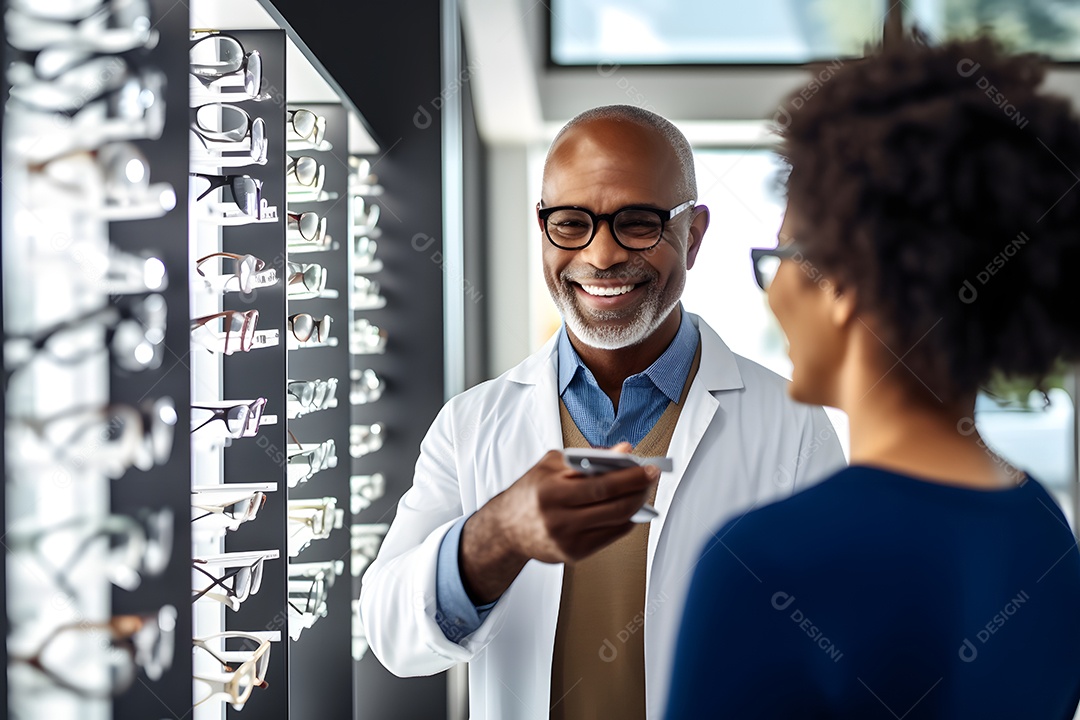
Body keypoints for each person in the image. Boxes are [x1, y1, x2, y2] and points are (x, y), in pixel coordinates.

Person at [359, 104, 846, 720]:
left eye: (638, 223)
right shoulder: (472, 424)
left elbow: (839, 654)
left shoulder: (792, 425)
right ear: (543, 230)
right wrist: (498, 536)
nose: (602, 254)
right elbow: (391, 636)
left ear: (692, 236)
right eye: (571, 224)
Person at [666, 34, 1080, 719]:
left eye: (783, 255)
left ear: (845, 282)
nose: (774, 293)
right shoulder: (1044, 529)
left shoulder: (768, 562)